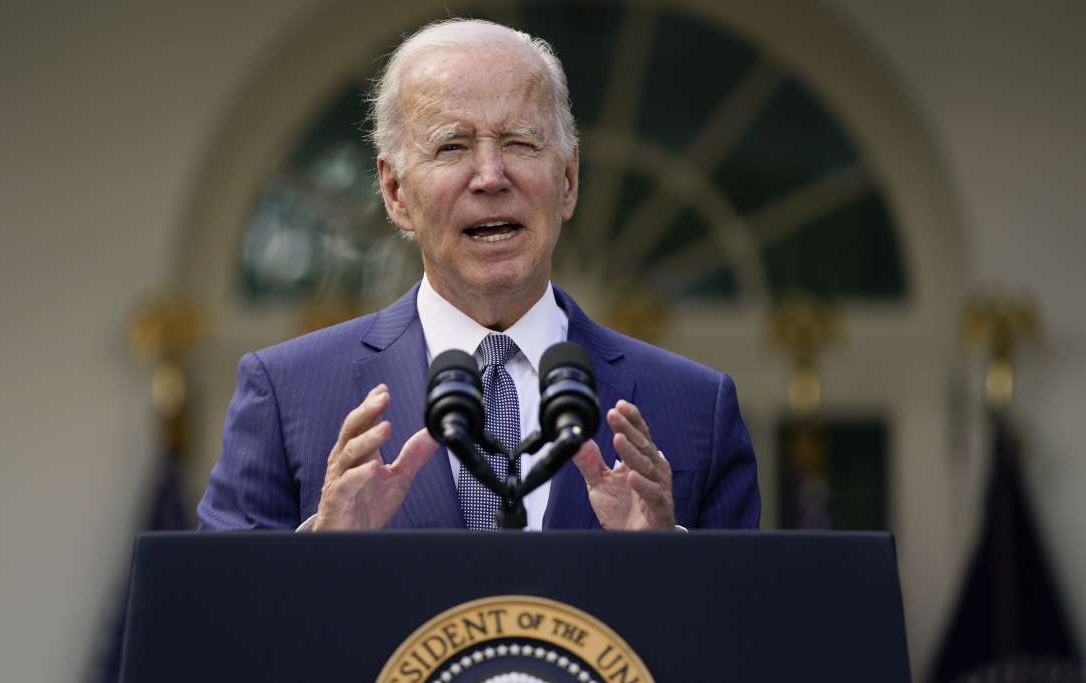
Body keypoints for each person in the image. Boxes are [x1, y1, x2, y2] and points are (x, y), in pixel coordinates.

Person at [198, 19, 759, 532]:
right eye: (452, 146)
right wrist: (320, 555)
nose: (491, 176)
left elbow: (750, 632)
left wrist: (670, 562)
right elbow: (212, 626)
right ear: (395, 193)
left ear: (568, 180)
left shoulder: (696, 406)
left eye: (520, 142)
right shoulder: (286, 393)